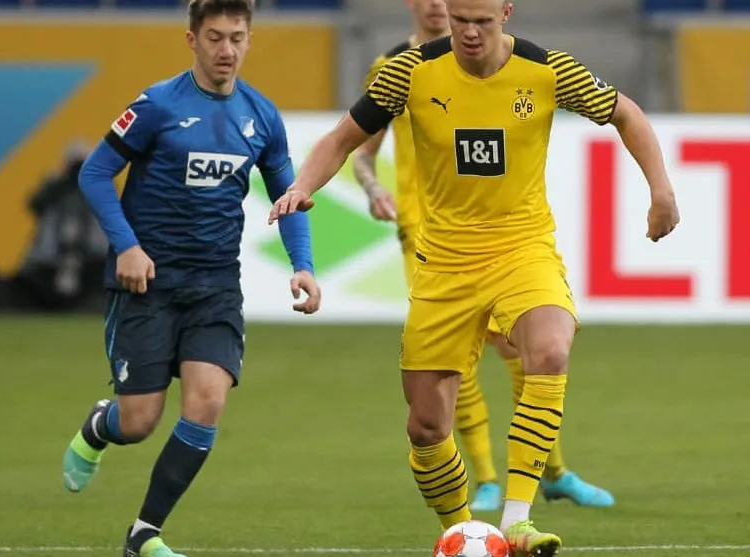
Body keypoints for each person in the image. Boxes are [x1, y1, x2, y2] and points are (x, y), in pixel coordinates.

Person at [268, 0, 679, 553]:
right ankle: (463, 533)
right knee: (425, 427)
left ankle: (517, 520)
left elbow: (627, 114)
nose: (468, 32)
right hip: (444, 262)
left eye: (481, 21)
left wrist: (661, 189)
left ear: (505, 12)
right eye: (460, 20)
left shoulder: (547, 70)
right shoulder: (409, 71)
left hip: (522, 249)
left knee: (550, 350)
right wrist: (301, 186)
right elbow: (343, 138)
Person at [61, 2, 321, 556]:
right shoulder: (157, 105)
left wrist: (303, 264)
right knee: (139, 421)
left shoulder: (262, 116)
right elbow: (95, 172)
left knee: (207, 402)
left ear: (250, 40)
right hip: (147, 285)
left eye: (237, 38)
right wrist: (127, 246)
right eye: (215, 37)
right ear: (192, 40)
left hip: (216, 287)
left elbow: (290, 197)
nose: (227, 50)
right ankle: (100, 425)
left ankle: (144, 534)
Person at [352, 0, 615, 513]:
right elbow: (363, 150)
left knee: (523, 349)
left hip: (501, 235)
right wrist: (372, 188)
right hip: (428, 232)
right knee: (453, 369)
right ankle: (487, 477)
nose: (441, 8)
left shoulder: (517, 68)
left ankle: (549, 471)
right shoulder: (395, 68)